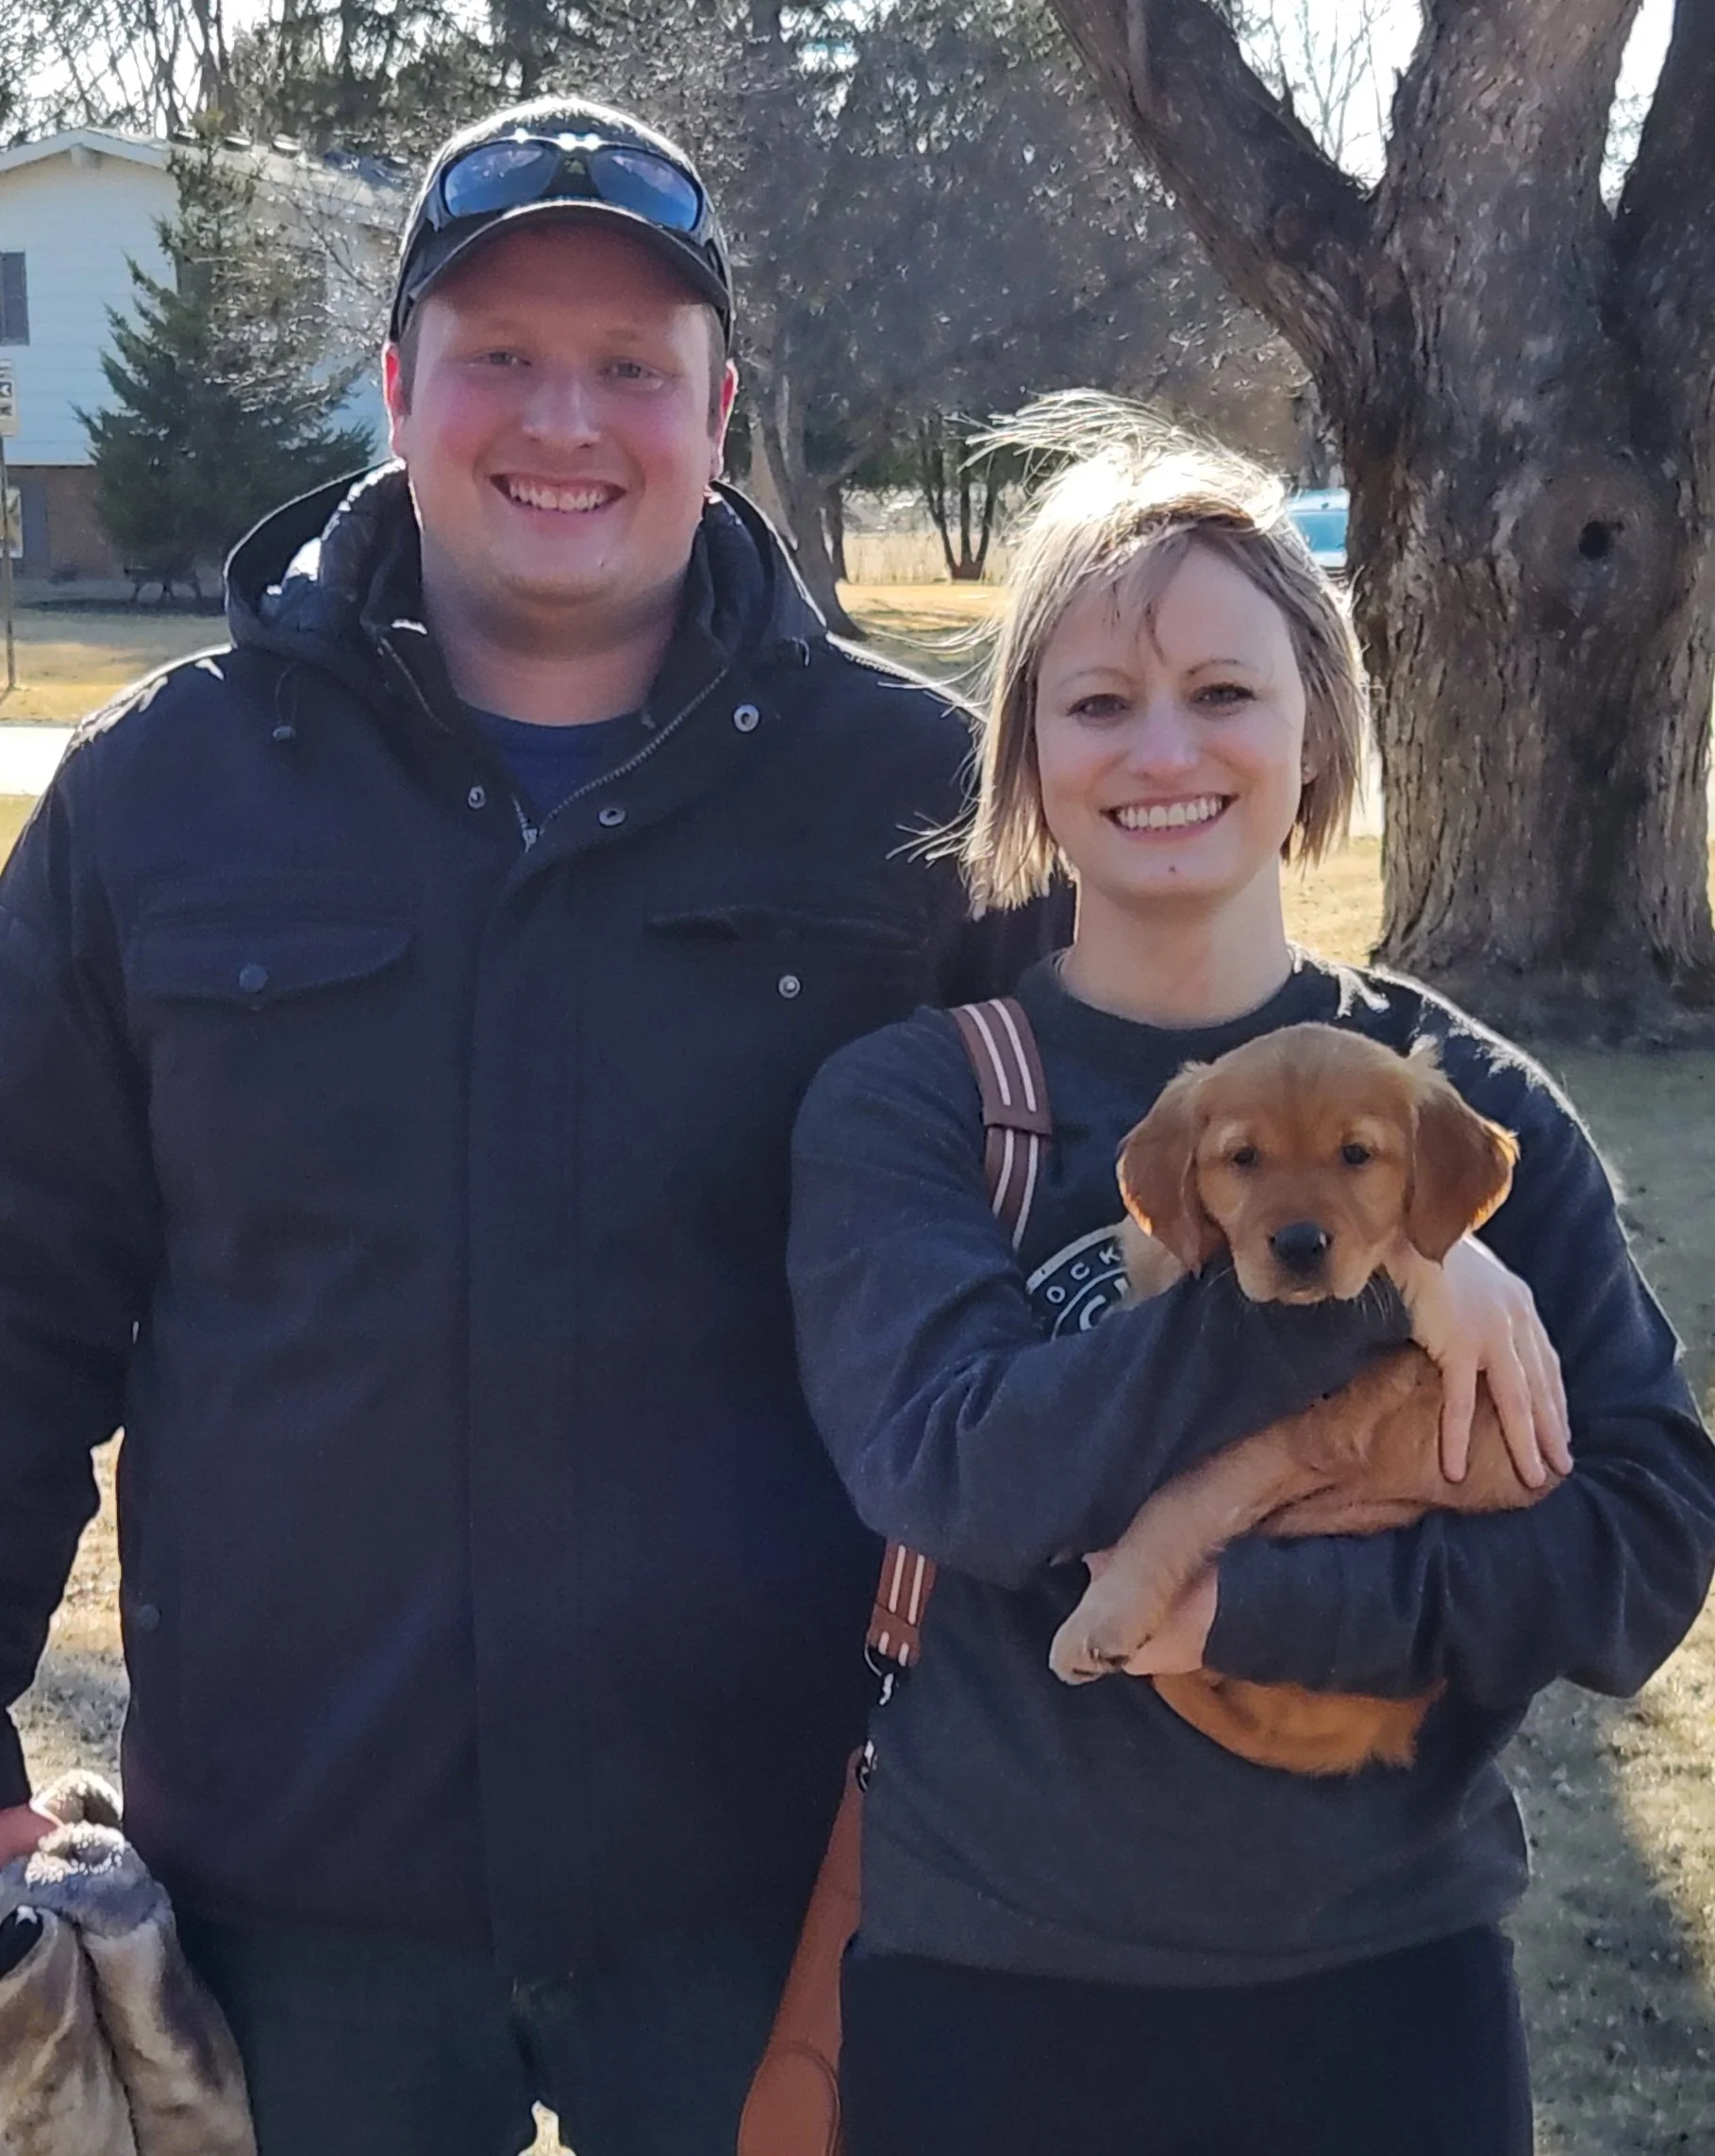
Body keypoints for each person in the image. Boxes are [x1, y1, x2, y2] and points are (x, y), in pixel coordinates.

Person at [0, 97, 1057, 2156]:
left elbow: (1123, 1195)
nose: (562, 417)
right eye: (497, 353)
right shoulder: (160, 800)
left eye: (633, 368)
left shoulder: (919, 801)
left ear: (721, 408)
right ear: (395, 387)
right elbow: (16, 1280)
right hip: (302, 1891)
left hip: (786, 1865)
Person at [788, 405, 1715, 2156]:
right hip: (994, 1993)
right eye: (1097, 702)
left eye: (1223, 692)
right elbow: (958, 1473)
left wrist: (1262, 1612)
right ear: (1024, 758)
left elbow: (1641, 1550)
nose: (1163, 750)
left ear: (1316, 733)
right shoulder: (917, 1103)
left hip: (1377, 1993)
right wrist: (1381, 1286)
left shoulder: (1471, 1110)